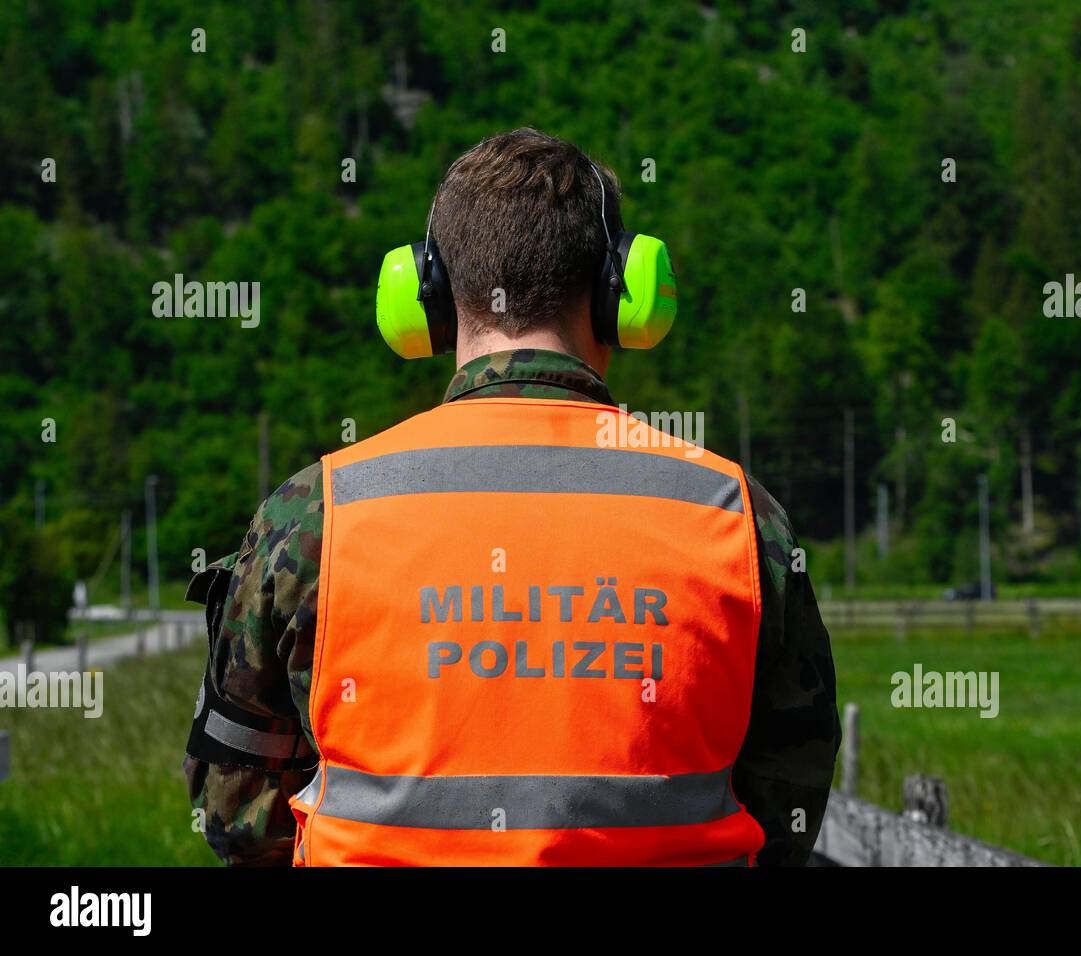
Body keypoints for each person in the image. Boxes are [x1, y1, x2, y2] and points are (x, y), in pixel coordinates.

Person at [183, 127, 839, 866]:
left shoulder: (318, 513)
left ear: (420, 295)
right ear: (623, 289)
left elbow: (233, 808)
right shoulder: (735, 517)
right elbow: (790, 791)